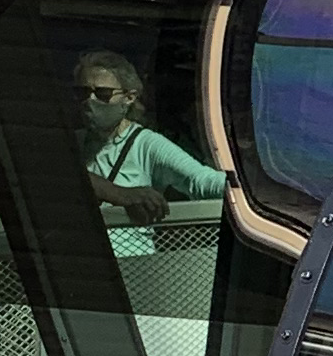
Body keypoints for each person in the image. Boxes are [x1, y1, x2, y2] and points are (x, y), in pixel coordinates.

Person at [74, 51, 226, 251]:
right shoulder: (74, 142)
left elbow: (199, 181)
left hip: (133, 263)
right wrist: (120, 194)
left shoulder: (145, 144)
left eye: (103, 94)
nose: (89, 101)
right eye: (83, 93)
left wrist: (241, 190)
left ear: (129, 97)